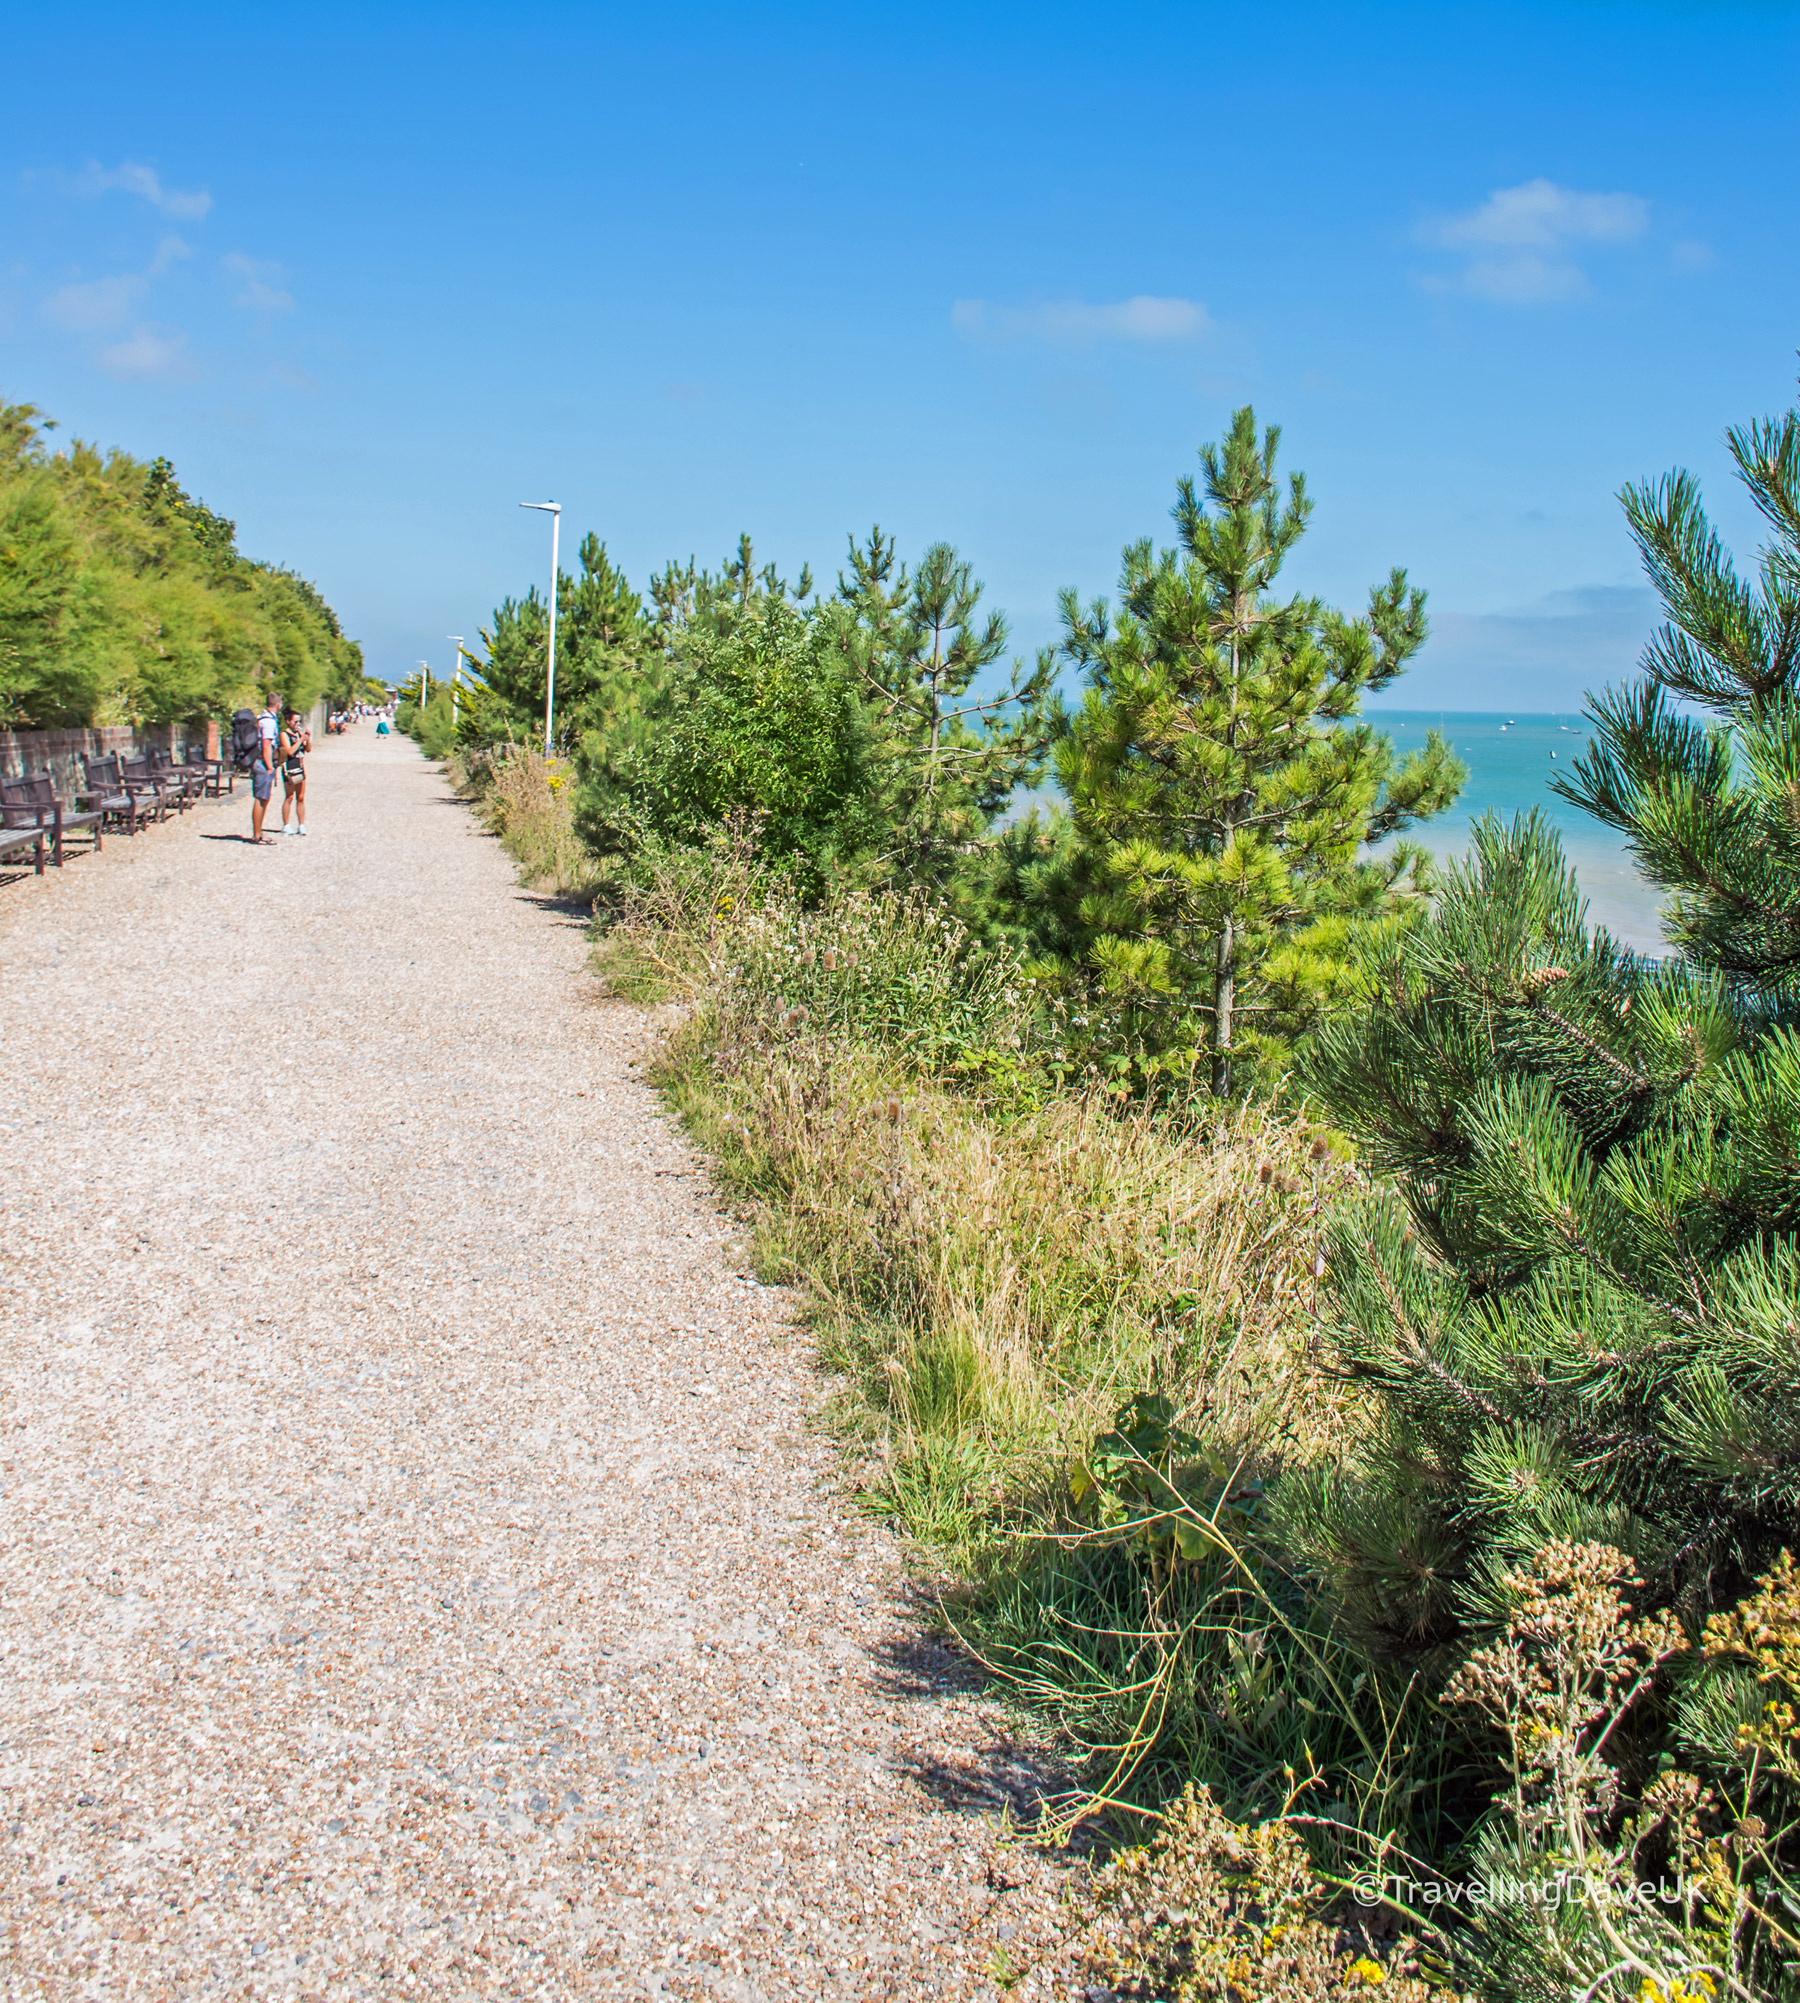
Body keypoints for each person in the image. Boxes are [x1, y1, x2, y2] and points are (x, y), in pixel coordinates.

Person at [249, 692, 282, 843]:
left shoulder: (261, 718)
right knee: (261, 798)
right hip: (263, 762)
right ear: (278, 704)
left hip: (260, 761)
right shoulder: (268, 721)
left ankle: (258, 832)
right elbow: (267, 745)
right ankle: (257, 835)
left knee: (263, 798)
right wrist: (269, 766)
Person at [280, 706, 311, 836]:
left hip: (300, 767)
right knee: (289, 797)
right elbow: (290, 751)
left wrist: (307, 739)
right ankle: (286, 824)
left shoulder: (299, 734)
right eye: (295, 722)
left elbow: (308, 749)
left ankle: (301, 824)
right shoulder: (284, 734)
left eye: (299, 722)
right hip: (289, 768)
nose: (297, 724)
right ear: (288, 721)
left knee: (301, 797)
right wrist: (300, 740)